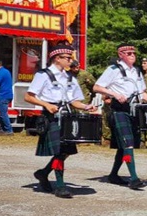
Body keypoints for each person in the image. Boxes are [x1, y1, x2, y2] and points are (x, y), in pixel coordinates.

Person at [25, 43, 97, 199]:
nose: (71, 61)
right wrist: (46, 104)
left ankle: (43, 173)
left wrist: (86, 107)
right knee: (58, 151)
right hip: (50, 116)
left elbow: (74, 101)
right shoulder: (43, 75)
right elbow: (28, 96)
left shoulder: (70, 77)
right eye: (68, 58)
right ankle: (60, 186)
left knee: (65, 152)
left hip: (67, 116)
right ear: (57, 58)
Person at [93, 42, 147, 189]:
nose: (133, 56)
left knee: (123, 146)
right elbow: (97, 87)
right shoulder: (113, 69)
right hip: (119, 110)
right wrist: (115, 94)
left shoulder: (136, 71)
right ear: (121, 55)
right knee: (127, 144)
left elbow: (141, 91)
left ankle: (113, 175)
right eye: (129, 53)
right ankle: (134, 178)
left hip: (133, 110)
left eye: (134, 53)